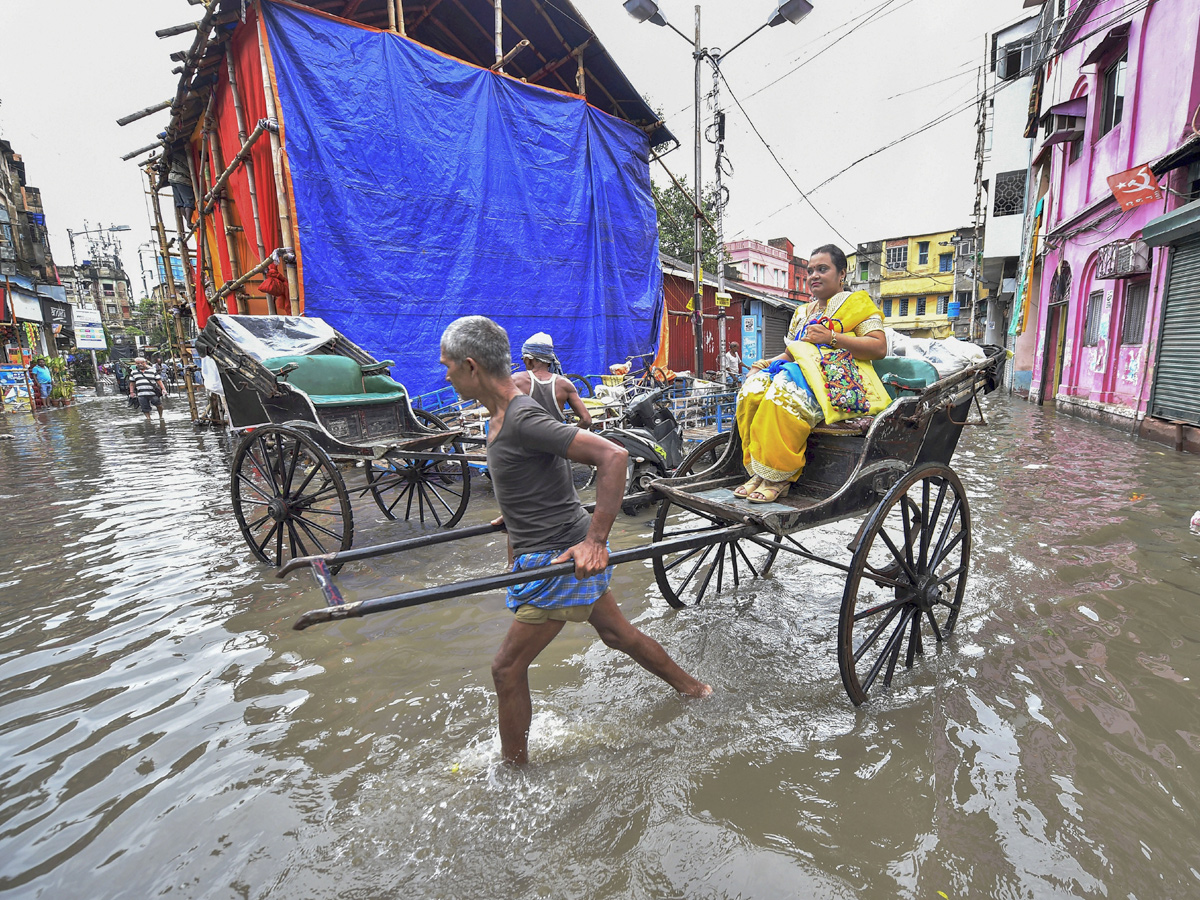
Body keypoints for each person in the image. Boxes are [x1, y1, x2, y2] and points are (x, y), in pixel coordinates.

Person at [439, 316, 710, 766]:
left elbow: (613, 455)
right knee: (617, 634)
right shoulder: (504, 414)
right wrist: (517, 513)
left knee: (506, 668)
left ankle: (513, 773)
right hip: (546, 543)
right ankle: (695, 690)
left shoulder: (522, 415)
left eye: (447, 366)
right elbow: (535, 473)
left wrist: (596, 542)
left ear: (470, 367)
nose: (444, 374)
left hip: (560, 556)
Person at [734, 244, 890, 503]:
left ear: (842, 273)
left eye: (822, 269)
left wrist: (832, 337)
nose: (814, 276)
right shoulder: (802, 313)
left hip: (838, 381)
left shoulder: (858, 304)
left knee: (784, 387)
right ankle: (760, 471)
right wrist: (763, 364)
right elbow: (793, 353)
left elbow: (879, 347)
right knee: (753, 388)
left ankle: (779, 475)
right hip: (801, 373)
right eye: (810, 271)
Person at [511, 331, 592, 429]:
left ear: (528, 359)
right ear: (550, 360)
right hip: (556, 442)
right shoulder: (564, 384)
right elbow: (586, 420)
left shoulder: (516, 380)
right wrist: (568, 437)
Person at [128, 357, 165, 421]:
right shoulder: (133, 372)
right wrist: (131, 392)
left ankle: (161, 417)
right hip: (141, 393)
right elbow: (132, 383)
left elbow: (159, 381)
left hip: (153, 392)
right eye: (138, 363)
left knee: (159, 405)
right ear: (135, 364)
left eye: (142, 363)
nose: (140, 364)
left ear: (145, 363)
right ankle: (148, 419)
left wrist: (163, 389)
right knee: (144, 408)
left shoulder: (152, 371)